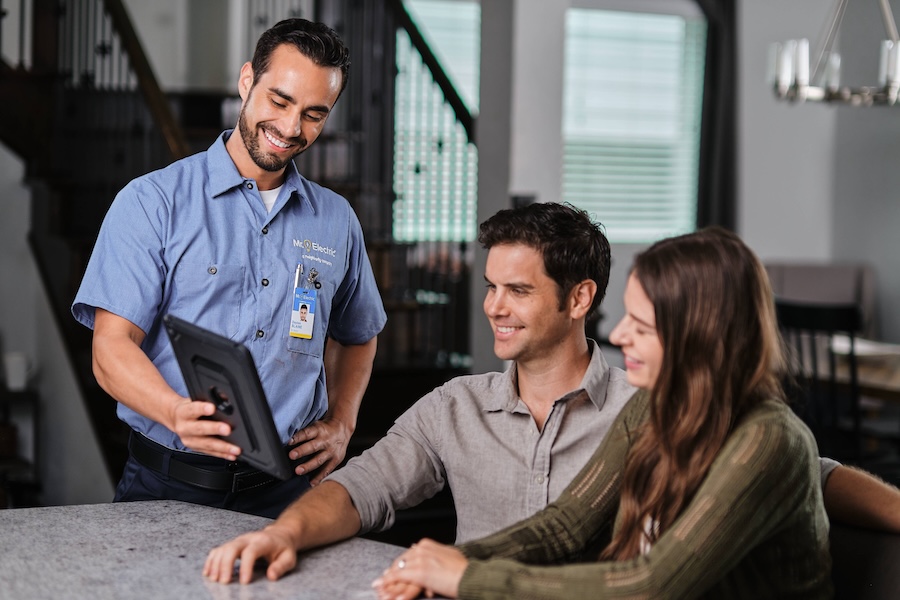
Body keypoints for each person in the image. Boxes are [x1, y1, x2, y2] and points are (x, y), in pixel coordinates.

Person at [374, 227, 832, 599]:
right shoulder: (654, 407)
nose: (618, 333)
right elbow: (565, 525)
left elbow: (651, 585)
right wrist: (447, 563)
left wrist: (466, 579)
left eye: (644, 325)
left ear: (702, 338)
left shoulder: (769, 438)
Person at [203, 202, 637, 582]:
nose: (494, 307)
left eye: (518, 291)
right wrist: (284, 533)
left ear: (579, 298)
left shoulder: (643, 411)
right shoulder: (456, 405)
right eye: (491, 287)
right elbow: (361, 488)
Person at [71, 18, 386, 518]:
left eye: (313, 114)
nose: (289, 129)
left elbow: (359, 334)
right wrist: (176, 411)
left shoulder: (337, 221)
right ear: (247, 81)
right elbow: (110, 349)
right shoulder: (152, 202)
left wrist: (343, 422)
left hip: (288, 494)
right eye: (279, 101)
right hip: (167, 484)